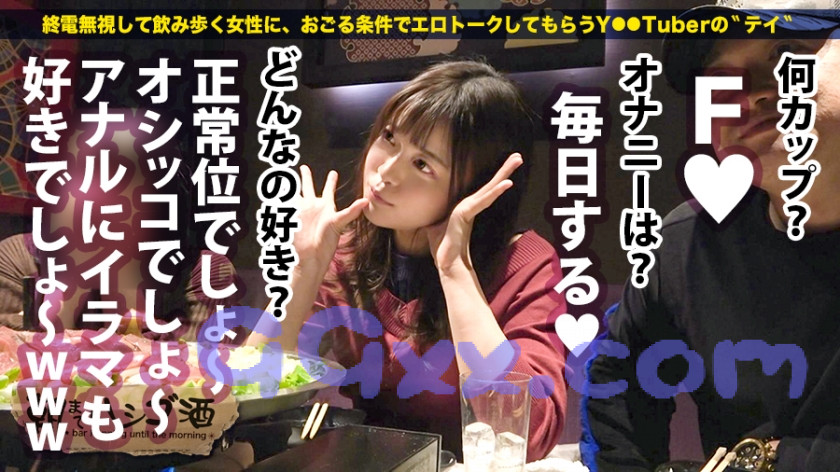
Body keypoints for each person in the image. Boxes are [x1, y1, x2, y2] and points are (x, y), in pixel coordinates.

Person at [248, 60, 567, 461]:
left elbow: (526, 433)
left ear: (478, 187)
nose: (385, 172)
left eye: (422, 164)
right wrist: (304, 269)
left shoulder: (523, 266)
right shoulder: (346, 252)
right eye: (389, 137)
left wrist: (455, 271)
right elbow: (252, 387)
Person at [582, 1, 840, 471]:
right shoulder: (685, 246)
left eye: (786, 52)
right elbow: (615, 386)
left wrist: (767, 461)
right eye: (720, 81)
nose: (748, 95)